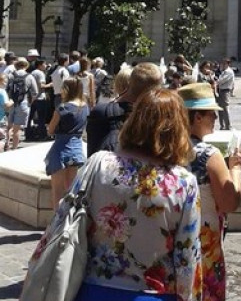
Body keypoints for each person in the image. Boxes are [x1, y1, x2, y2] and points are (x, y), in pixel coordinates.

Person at [17, 88, 203, 301]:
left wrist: (31, 284)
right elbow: (187, 258)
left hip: (92, 300)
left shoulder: (98, 164)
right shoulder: (183, 183)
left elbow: (60, 224)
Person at [179, 82, 241, 301]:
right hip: (203, 250)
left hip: (169, 248)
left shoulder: (159, 151)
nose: (216, 119)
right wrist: (236, 168)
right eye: (211, 114)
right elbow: (230, 201)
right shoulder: (208, 155)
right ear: (196, 117)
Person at [86, 62, 163, 156]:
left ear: (129, 82)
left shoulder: (101, 113)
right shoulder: (157, 118)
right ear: (156, 90)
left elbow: (92, 155)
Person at [44, 77, 89, 209]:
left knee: (57, 193)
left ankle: (56, 226)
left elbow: (50, 130)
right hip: (77, 151)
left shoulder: (62, 108)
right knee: (71, 192)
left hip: (60, 150)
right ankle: (68, 223)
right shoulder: (85, 107)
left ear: (66, 89)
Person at [5, 57, 37, 151]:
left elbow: (5, 88)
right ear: (26, 66)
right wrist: (30, 102)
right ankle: (14, 149)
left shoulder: (10, 75)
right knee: (17, 129)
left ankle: (5, 144)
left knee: (8, 126)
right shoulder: (29, 76)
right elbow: (35, 92)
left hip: (10, 103)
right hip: (23, 103)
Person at [215, 58, 234, 130]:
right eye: (222, 63)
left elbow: (221, 80)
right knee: (220, 108)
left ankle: (227, 125)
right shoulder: (223, 71)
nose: (223, 64)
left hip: (225, 91)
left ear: (228, 64)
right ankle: (222, 125)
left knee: (225, 108)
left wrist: (216, 80)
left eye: (225, 63)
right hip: (221, 90)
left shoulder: (228, 72)